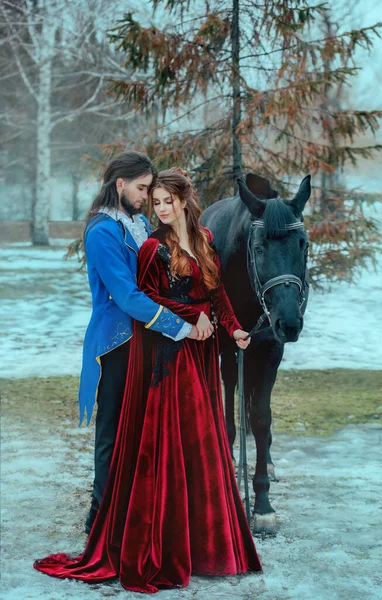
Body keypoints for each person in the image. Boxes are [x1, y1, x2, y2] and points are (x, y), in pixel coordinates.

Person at [34, 169, 262, 592]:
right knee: (172, 444)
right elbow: (144, 294)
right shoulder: (153, 247)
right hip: (170, 354)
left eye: (165, 200)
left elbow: (217, 295)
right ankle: (151, 537)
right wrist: (186, 319)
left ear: (184, 200)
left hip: (202, 351)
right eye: (153, 200)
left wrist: (233, 330)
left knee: (204, 444)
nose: (158, 208)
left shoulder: (206, 240)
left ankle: (205, 545)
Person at [79, 151, 212, 534]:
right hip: (116, 342)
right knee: (112, 430)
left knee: (141, 429)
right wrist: (182, 326)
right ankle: (99, 518)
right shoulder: (102, 231)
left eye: (149, 190)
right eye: (141, 189)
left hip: (145, 339)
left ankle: (138, 513)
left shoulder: (137, 223)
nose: (145, 198)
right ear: (119, 185)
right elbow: (128, 295)